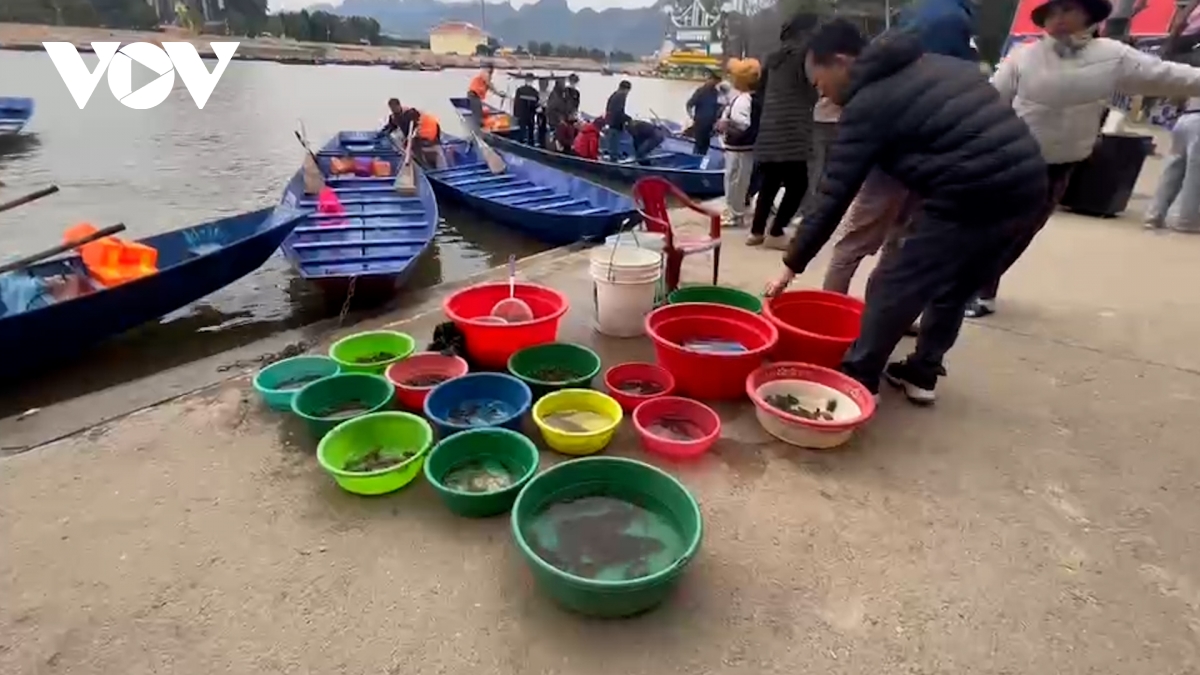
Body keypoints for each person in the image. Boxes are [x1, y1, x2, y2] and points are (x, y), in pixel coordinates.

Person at [763, 20, 1048, 404]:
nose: (822, 95)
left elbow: (833, 193)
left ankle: (859, 379)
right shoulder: (934, 63)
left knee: (895, 283)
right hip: (1029, 186)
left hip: (970, 190)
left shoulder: (867, 102)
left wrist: (790, 265)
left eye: (819, 83)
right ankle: (922, 373)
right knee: (956, 288)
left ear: (843, 61)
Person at [972, 0, 1200, 317]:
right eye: (1053, 12)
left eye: (1068, 10)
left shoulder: (1113, 56)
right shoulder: (1023, 57)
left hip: (1062, 164)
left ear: (1089, 16)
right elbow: (989, 103)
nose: (1059, 19)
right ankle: (971, 288)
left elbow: (1169, 75)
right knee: (994, 230)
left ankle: (979, 290)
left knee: (1021, 233)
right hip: (1013, 161)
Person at [821, 0, 977, 295]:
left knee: (883, 237)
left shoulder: (924, 14)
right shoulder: (948, 20)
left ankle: (856, 313)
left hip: (911, 149)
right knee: (882, 237)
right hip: (911, 148)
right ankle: (839, 312)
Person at [748, 12, 820, 249]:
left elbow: (759, 94)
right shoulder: (805, 56)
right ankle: (777, 231)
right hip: (793, 131)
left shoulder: (772, 58)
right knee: (799, 185)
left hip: (770, 130)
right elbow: (813, 88)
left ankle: (756, 232)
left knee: (769, 182)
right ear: (805, 32)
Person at [717, 58, 761, 228]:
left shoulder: (744, 100)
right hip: (743, 147)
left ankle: (735, 213)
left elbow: (743, 125)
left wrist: (726, 125)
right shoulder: (749, 98)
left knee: (735, 180)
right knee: (737, 179)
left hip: (739, 148)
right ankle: (736, 212)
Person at [686, 69, 723, 156]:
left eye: (717, 81)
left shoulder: (717, 93)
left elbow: (719, 108)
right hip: (700, 123)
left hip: (710, 125)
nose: (715, 83)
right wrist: (691, 116)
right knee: (698, 144)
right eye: (713, 80)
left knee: (706, 145)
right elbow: (689, 105)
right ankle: (695, 160)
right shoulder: (700, 91)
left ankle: (702, 160)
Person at [466, 64, 505, 131]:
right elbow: (489, 84)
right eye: (490, 71)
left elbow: (491, 88)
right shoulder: (484, 75)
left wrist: (499, 94)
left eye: (492, 72)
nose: (491, 74)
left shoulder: (486, 78)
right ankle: (478, 130)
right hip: (474, 95)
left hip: (476, 96)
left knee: (479, 112)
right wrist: (499, 93)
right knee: (478, 114)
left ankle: (481, 127)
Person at [604, 80, 632, 158]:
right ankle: (613, 161)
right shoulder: (621, 96)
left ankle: (613, 156)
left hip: (611, 122)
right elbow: (618, 111)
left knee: (613, 144)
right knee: (614, 145)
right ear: (626, 89)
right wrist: (627, 119)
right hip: (615, 123)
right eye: (628, 91)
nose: (627, 93)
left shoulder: (614, 95)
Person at [512, 73, 541, 146]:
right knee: (531, 132)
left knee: (521, 131)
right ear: (532, 81)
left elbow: (516, 103)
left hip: (521, 114)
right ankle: (531, 144)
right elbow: (536, 105)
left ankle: (521, 145)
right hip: (530, 115)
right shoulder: (535, 92)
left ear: (525, 80)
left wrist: (515, 114)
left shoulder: (519, 90)